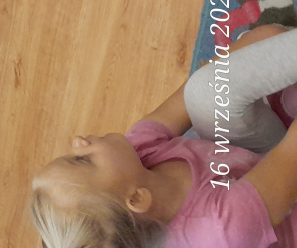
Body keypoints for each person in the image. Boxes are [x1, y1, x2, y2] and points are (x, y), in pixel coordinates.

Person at [30, 25, 297, 248]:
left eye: (68, 155)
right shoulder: (220, 228)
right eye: (82, 160)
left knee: (203, 94)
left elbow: (193, 92)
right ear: (137, 199)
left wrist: (260, 48)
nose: (77, 142)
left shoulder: (136, 158)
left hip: (258, 165)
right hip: (287, 185)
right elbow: (290, 160)